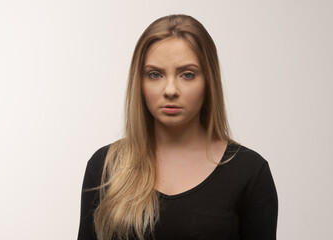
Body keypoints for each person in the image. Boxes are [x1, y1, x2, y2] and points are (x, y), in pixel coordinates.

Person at [78, 14, 278, 240]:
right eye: (155, 74)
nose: (170, 90)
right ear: (140, 82)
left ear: (208, 81)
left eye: (187, 74)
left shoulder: (250, 172)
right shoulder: (106, 167)